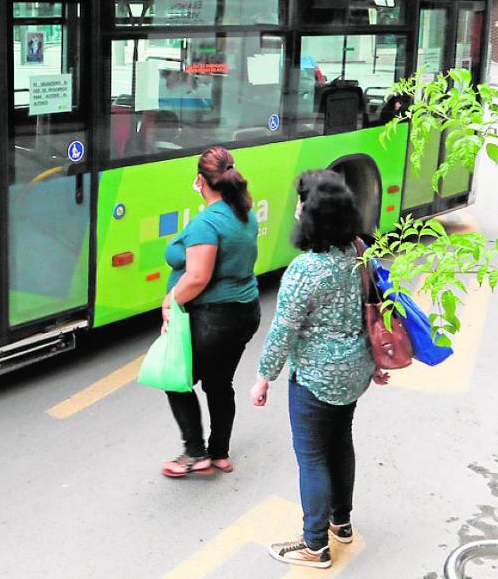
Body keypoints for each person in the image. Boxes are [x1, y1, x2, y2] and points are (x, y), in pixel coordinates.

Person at [250, 169, 387, 568]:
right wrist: (375, 363)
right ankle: (340, 522)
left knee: (312, 457)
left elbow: (282, 334)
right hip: (355, 371)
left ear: (312, 215)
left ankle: (315, 545)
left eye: (301, 202)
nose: (295, 208)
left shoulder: (305, 271)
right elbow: (374, 311)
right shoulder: (360, 250)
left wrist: (263, 378)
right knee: (341, 443)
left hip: (315, 378)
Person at [159, 146, 261, 478]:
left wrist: (169, 302)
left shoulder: (207, 222)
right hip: (245, 312)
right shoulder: (244, 213)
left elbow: (198, 277)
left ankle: (194, 454)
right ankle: (219, 454)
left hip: (215, 317)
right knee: (219, 383)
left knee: (176, 379)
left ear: (200, 180)